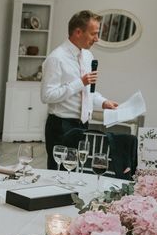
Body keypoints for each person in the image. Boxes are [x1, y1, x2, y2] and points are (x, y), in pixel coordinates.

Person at [41, 10, 118, 169]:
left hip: (82, 125)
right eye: (93, 34)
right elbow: (46, 96)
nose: (97, 39)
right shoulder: (56, 58)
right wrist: (79, 82)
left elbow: (86, 93)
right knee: (59, 173)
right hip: (61, 126)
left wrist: (104, 103)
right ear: (78, 32)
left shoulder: (88, 56)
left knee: (78, 171)